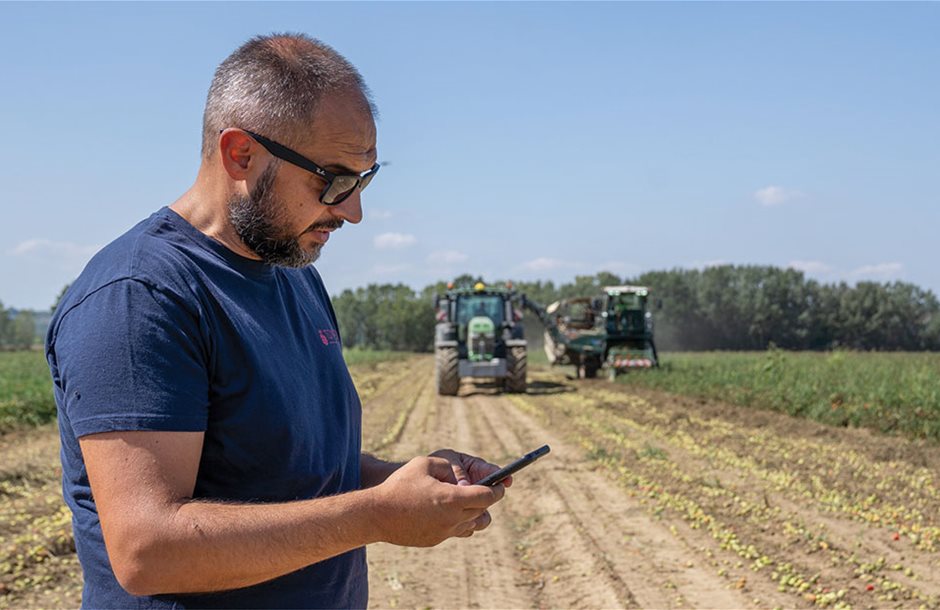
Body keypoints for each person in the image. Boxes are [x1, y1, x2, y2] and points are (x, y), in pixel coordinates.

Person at [45, 33, 507, 609]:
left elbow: (288, 469)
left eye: (365, 180)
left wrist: (398, 482)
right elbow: (148, 550)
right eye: (334, 181)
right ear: (241, 154)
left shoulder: (294, 275)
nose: (353, 211)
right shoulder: (140, 296)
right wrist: (378, 515)